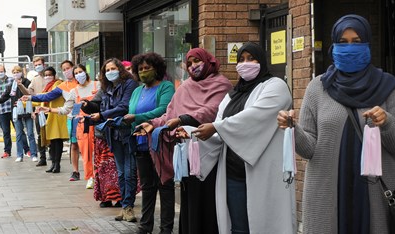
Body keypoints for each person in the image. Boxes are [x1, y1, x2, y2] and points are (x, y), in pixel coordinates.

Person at [277, 15, 395, 234]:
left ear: (367, 43)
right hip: (330, 189)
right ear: (334, 45)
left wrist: (386, 122)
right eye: (343, 42)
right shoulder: (317, 88)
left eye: (356, 41)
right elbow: (310, 148)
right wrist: (293, 128)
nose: (349, 47)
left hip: (376, 191)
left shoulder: (388, 87)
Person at [191, 42, 296, 234]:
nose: (245, 63)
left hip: (264, 172)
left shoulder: (276, 86)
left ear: (262, 61)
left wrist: (216, 127)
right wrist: (191, 134)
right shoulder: (233, 94)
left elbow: (254, 118)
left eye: (251, 58)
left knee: (267, 224)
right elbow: (219, 130)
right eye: (241, 59)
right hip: (233, 173)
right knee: (239, 227)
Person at [135, 48, 233, 234]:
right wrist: (151, 124)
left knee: (209, 200)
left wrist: (184, 119)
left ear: (208, 61)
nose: (193, 66)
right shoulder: (186, 86)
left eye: (197, 61)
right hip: (187, 154)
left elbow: (212, 110)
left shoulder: (221, 85)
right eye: (189, 63)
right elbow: (170, 114)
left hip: (210, 154)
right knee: (190, 200)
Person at [81, 58, 139, 222]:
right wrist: (87, 106)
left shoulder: (130, 84)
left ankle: (128, 207)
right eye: (106, 70)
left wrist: (102, 115)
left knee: (129, 173)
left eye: (113, 68)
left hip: (127, 133)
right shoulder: (107, 87)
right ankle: (124, 207)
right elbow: (99, 106)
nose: (109, 72)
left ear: (120, 69)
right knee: (121, 173)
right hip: (112, 135)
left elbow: (124, 107)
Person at [123, 52, 175, 234]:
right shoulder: (138, 90)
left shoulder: (166, 87)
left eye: (148, 68)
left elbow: (164, 110)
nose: (144, 71)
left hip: (159, 144)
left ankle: (166, 228)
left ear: (157, 69)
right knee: (147, 186)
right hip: (140, 144)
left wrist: (137, 117)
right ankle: (146, 226)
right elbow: (130, 111)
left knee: (165, 185)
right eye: (140, 69)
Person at [38, 64, 99, 189]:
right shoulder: (74, 91)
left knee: (100, 152)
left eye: (80, 71)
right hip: (83, 124)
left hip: (99, 122)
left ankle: (100, 175)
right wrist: (48, 109)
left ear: (85, 72)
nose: (78, 75)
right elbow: (66, 109)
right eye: (76, 73)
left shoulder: (97, 85)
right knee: (86, 152)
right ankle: (90, 177)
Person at [23, 67, 68, 173]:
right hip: (47, 116)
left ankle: (57, 164)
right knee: (51, 141)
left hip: (56, 115)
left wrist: (30, 98)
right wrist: (25, 102)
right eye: (46, 75)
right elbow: (42, 101)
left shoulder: (58, 84)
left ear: (54, 75)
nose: (47, 77)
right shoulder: (47, 87)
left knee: (57, 140)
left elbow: (47, 97)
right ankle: (53, 163)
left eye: (49, 75)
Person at [0, 65, 38, 162]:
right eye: (14, 72)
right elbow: (3, 98)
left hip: (27, 111)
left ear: (21, 73)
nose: (16, 74)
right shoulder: (11, 85)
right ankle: (19, 155)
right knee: (18, 134)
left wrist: (33, 110)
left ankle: (33, 154)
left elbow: (30, 94)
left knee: (30, 133)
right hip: (16, 111)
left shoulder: (27, 82)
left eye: (18, 72)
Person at [18, 56, 49, 165]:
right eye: (35, 65)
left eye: (39, 64)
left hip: (51, 110)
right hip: (39, 111)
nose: (38, 67)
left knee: (52, 135)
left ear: (44, 64)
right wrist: (20, 85)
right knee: (40, 134)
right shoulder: (35, 80)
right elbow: (28, 93)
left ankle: (54, 159)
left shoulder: (50, 77)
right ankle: (43, 157)